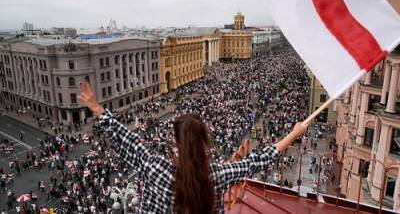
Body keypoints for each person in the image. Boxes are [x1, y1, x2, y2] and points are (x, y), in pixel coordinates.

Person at [79, 81, 309, 213]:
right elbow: (258, 160)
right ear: (204, 141)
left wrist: (96, 107)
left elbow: (126, 137)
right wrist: (294, 134)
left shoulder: (155, 167)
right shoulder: (217, 175)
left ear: (175, 141)